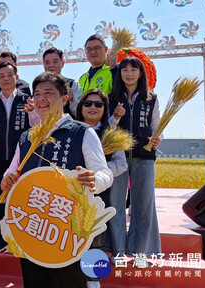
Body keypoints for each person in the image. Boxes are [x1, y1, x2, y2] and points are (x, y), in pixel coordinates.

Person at [0, 72, 113, 288]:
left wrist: (93, 179)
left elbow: (105, 173)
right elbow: (12, 171)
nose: (41, 98)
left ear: (64, 98)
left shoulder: (82, 132)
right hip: (33, 228)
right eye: (37, 94)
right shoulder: (27, 137)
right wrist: (7, 180)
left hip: (66, 233)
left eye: (48, 93)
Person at [108, 56, 162, 262]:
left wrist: (158, 139)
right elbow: (108, 127)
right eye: (124, 70)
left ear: (141, 73)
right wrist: (116, 117)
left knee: (144, 204)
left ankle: (141, 252)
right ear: (120, 74)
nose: (129, 73)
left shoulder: (151, 98)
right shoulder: (112, 98)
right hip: (118, 156)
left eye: (133, 70)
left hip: (144, 156)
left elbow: (156, 125)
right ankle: (118, 250)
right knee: (116, 203)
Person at [75, 89, 128, 288]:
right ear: (81, 107)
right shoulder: (71, 130)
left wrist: (98, 174)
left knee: (94, 236)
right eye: (88, 103)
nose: (93, 108)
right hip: (70, 193)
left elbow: (121, 164)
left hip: (97, 194)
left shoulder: (111, 133)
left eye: (99, 104)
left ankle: (93, 280)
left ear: (105, 109)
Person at [0, 61, 32, 253]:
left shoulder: (27, 100)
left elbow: (36, 127)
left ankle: (23, 238)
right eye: (2, 76)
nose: (6, 79)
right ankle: (2, 237)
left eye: (9, 75)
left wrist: (33, 114)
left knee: (21, 199)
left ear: (17, 77)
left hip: (21, 159)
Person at [42, 47, 83, 117]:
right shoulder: (39, 87)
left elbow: (81, 113)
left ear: (62, 63)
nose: (51, 65)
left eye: (55, 62)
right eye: (47, 62)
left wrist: (72, 99)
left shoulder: (73, 85)